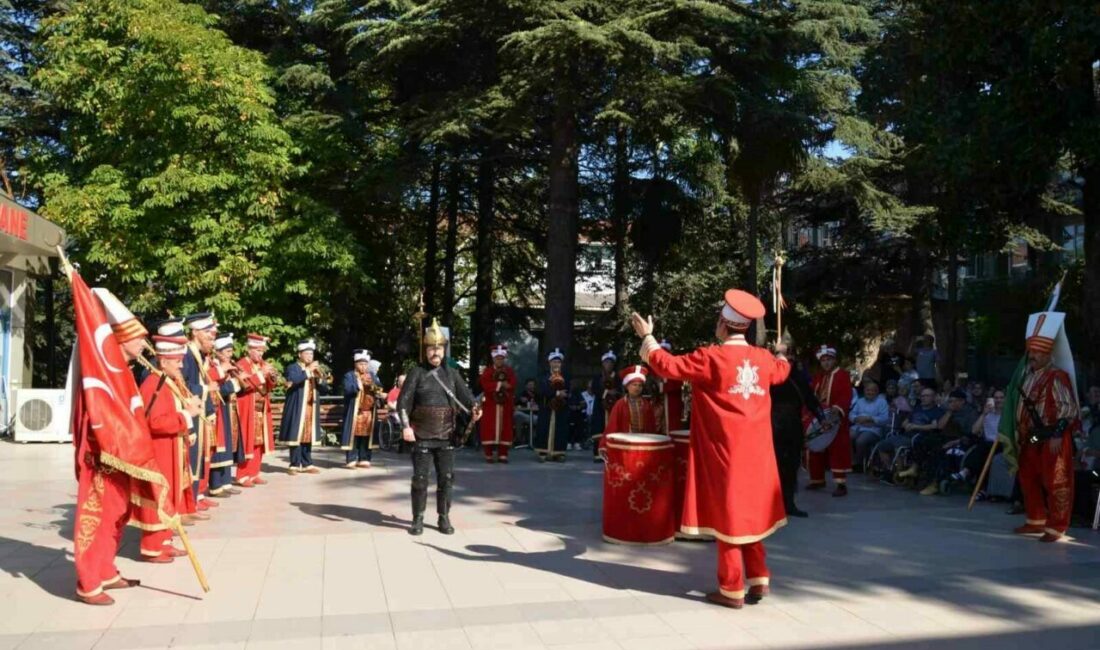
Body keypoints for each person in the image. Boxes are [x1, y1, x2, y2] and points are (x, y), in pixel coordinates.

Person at [631, 289, 790, 610]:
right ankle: (759, 578)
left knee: (729, 514)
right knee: (751, 514)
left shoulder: (711, 357)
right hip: (758, 452)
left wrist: (648, 337)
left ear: (722, 324)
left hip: (724, 452)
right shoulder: (763, 360)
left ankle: (731, 588)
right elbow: (782, 372)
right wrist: (783, 353)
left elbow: (668, 365)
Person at [71, 288, 164, 604]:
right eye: (138, 338)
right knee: (95, 518)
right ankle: (88, 582)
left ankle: (106, 570)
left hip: (124, 457)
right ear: (121, 340)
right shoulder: (101, 372)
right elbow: (96, 418)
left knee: (117, 514)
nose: (144, 344)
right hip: (103, 458)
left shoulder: (121, 371)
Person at [398, 319, 482, 535]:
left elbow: (467, 396)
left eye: (439, 348)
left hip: (447, 435)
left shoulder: (452, 374)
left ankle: (443, 517)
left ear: (444, 350)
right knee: (420, 479)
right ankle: (417, 519)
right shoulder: (416, 372)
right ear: (425, 350)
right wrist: (406, 427)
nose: (435, 352)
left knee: (446, 478)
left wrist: (475, 407)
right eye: (431, 348)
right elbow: (403, 403)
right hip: (421, 435)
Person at [1013, 312, 1079, 542]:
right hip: (1031, 436)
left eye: (1038, 352)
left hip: (1052, 435)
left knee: (1056, 480)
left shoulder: (1056, 376)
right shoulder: (1027, 376)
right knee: (1028, 476)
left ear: (1049, 353)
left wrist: (1058, 434)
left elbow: (1068, 409)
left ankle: (1057, 526)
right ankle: (1035, 519)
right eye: (1031, 351)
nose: (1033, 356)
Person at [138, 334, 203, 561]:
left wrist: (187, 427)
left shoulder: (167, 383)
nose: (182, 365)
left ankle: (165, 540)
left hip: (173, 449)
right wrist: (187, 416)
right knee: (159, 497)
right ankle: (152, 546)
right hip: (160, 452)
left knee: (171, 495)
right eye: (177, 361)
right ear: (164, 361)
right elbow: (154, 422)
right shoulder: (153, 385)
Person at [770, 348, 822, 518]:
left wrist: (822, 418)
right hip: (772, 427)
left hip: (793, 428)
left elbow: (810, 400)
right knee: (774, 468)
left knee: (792, 467)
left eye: (789, 359)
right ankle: (771, 506)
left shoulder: (798, 379)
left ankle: (789, 504)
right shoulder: (769, 378)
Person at [182, 312, 218, 518]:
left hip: (200, 412)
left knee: (197, 459)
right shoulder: (187, 354)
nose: (212, 337)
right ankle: (188, 504)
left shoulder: (198, 355)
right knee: (191, 459)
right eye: (207, 333)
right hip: (190, 413)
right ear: (195, 332)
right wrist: (206, 389)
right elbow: (183, 384)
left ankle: (193, 501)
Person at [807, 345, 853, 497]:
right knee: (815, 446)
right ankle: (817, 479)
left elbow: (846, 395)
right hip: (819, 417)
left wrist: (837, 409)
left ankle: (841, 484)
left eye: (829, 360)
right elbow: (812, 396)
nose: (826, 363)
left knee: (837, 450)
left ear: (834, 360)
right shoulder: (818, 377)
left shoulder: (843, 375)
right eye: (823, 360)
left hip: (835, 419)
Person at [916, 389, 978, 496]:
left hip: (963, 441)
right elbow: (940, 426)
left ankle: (935, 482)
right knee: (924, 442)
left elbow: (971, 435)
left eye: (954, 401)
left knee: (941, 452)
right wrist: (949, 412)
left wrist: (954, 442)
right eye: (949, 401)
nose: (951, 404)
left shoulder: (971, 414)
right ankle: (918, 472)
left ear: (962, 401)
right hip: (946, 437)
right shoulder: (948, 411)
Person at [279, 339, 328, 474]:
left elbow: (325, 390)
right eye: (306, 354)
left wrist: (320, 379)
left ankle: (307, 463)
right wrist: (307, 371)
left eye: (311, 355)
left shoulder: (315, 370)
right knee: (296, 434)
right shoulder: (293, 367)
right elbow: (293, 380)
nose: (309, 357)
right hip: (297, 406)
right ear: (299, 354)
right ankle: (294, 464)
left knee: (308, 435)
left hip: (311, 407)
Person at [236, 333, 277, 487]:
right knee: (247, 441)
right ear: (249, 349)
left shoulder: (262, 364)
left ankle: (254, 473)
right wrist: (262, 374)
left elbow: (269, 386)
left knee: (259, 442)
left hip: (261, 408)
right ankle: (242, 475)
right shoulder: (241, 364)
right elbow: (245, 385)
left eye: (262, 351)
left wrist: (272, 377)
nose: (261, 354)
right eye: (258, 351)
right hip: (247, 407)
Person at [947, 389, 1005, 493]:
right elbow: (974, 430)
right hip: (987, 444)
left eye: (1001, 398)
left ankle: (966, 472)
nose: (998, 400)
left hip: (1001, 443)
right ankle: (980, 488)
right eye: (996, 398)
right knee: (982, 452)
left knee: (984, 448)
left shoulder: (1008, 415)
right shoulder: (988, 414)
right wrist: (984, 414)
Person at [208, 333, 243, 498]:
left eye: (231, 351)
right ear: (219, 353)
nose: (230, 355)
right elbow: (217, 391)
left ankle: (226, 481)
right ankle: (216, 485)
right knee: (219, 446)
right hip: (218, 410)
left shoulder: (226, 368)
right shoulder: (212, 367)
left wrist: (239, 379)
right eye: (227, 351)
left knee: (228, 445)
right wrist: (235, 383)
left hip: (229, 409)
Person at [340, 350, 383, 468]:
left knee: (366, 435)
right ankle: (351, 458)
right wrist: (359, 385)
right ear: (355, 364)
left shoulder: (372, 375)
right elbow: (348, 389)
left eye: (365, 364)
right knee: (353, 435)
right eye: (361, 364)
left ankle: (364, 457)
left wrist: (374, 387)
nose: (363, 367)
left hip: (368, 411)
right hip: (355, 411)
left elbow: (379, 387)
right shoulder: (349, 375)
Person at [599, 365, 659, 448]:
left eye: (640, 385)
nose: (637, 388)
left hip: (644, 442)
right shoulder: (620, 404)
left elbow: (651, 426)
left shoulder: (646, 405)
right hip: (626, 444)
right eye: (634, 385)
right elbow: (613, 426)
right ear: (627, 386)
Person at [478, 344, 517, 463]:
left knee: (505, 428)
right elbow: (484, 384)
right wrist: (500, 385)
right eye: (497, 358)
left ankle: (503, 454)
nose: (499, 360)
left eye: (501, 358)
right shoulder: (488, 371)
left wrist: (508, 386)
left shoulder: (509, 371)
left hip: (505, 404)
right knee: (489, 427)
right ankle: (488, 453)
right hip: (491, 404)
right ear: (493, 358)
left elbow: (513, 384)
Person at [536, 349, 571, 461]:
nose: (556, 364)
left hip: (561, 408)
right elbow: (540, 391)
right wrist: (556, 393)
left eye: (558, 362)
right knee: (544, 428)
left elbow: (568, 391)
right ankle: (543, 452)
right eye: (554, 362)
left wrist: (564, 395)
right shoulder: (544, 377)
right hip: (546, 407)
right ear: (550, 363)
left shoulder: (565, 377)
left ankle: (558, 452)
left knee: (560, 429)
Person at [849, 379, 890, 471]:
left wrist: (870, 418)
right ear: (864, 391)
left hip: (873, 429)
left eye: (872, 390)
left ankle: (858, 463)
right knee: (847, 437)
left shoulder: (882, 402)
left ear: (877, 392)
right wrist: (856, 418)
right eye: (868, 390)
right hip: (858, 426)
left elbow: (885, 418)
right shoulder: (860, 401)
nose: (870, 392)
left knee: (861, 441)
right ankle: (850, 461)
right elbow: (851, 414)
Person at [589, 351, 621, 460]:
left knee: (614, 426)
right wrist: (607, 393)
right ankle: (598, 453)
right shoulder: (598, 377)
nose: (609, 365)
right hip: (600, 406)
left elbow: (621, 390)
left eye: (611, 362)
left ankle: (612, 452)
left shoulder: (617, 377)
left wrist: (615, 393)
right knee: (599, 427)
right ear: (603, 363)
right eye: (606, 362)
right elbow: (594, 389)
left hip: (614, 406)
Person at [654, 339, 685, 432]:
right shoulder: (656, 368)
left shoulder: (674, 366)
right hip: (659, 402)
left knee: (671, 425)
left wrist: (661, 387)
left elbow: (677, 383)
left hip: (671, 400)